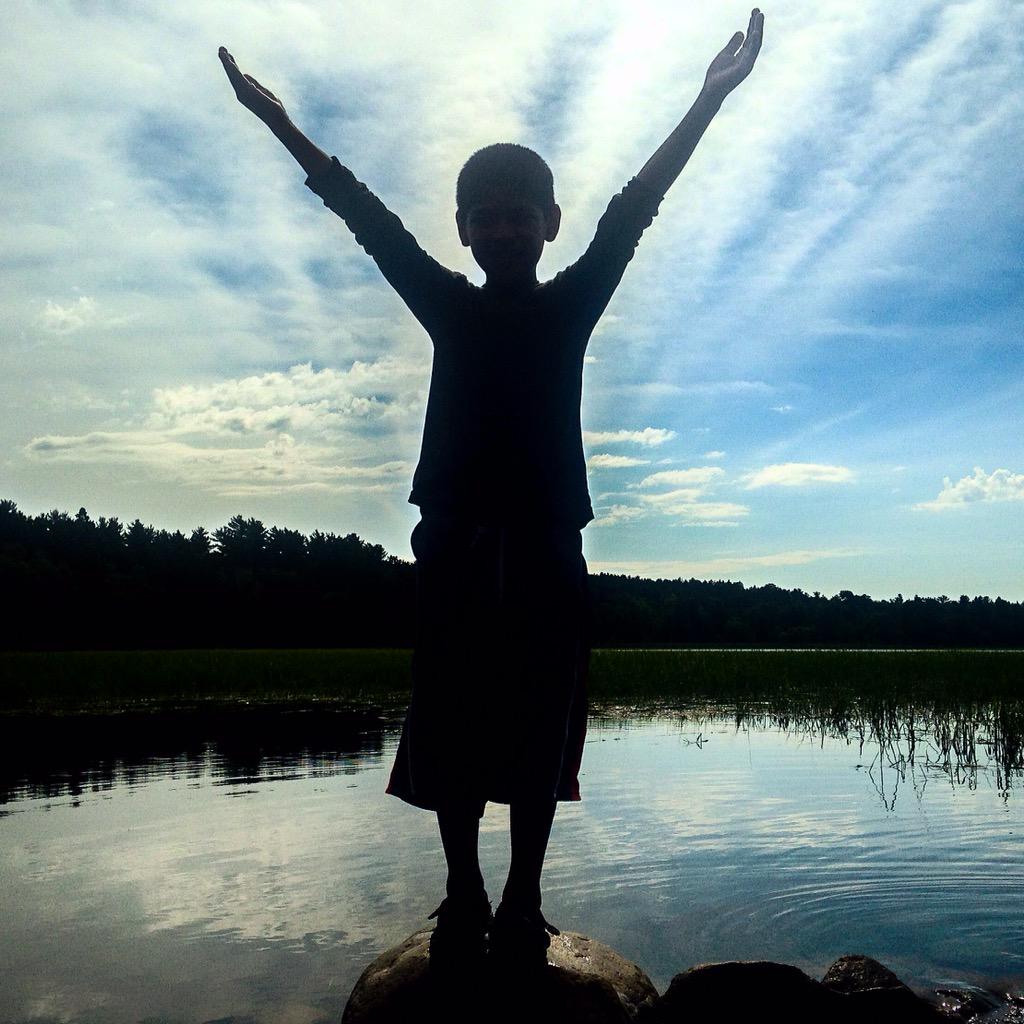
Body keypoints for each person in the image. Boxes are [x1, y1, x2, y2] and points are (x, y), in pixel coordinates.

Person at [219, 8, 763, 971]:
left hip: (549, 542)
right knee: (452, 717)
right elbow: (366, 217)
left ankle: (522, 900)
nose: (508, 226)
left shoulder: (573, 301)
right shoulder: (446, 304)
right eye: (489, 214)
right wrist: (277, 122)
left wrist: (707, 99)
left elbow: (635, 206)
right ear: (465, 231)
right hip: (458, 542)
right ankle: (464, 890)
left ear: (548, 226)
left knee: (543, 721)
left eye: (524, 212)